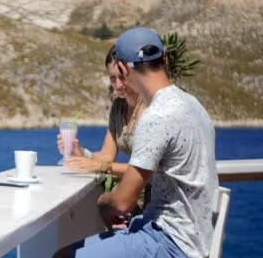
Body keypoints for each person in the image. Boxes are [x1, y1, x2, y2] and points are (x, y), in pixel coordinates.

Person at [59, 27, 219, 258]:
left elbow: (121, 203)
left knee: (63, 255)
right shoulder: (193, 105)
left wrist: (104, 201)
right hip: (193, 237)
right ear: (164, 58)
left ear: (124, 68)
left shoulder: (157, 116)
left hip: (171, 241)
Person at [57, 45, 151, 215]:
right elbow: (107, 156)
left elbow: (146, 168)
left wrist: (100, 166)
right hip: (130, 202)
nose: (118, 85)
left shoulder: (149, 109)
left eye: (122, 77)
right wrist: (80, 152)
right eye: (112, 78)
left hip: (150, 202)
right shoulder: (118, 108)